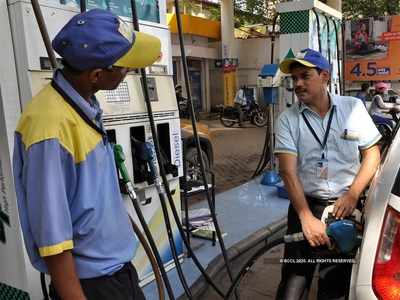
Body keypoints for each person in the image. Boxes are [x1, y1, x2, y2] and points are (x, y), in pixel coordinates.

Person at [13, 9, 161, 300]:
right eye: (125, 68)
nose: (128, 72)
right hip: (93, 287)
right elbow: (53, 240)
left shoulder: (82, 103)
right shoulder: (50, 129)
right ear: (96, 75)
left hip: (116, 273)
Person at [274, 48, 381, 300]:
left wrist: (353, 194)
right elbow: (288, 172)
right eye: (294, 78)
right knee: (292, 285)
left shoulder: (352, 108)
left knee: (335, 286)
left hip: (345, 209)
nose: (298, 83)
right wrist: (306, 218)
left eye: (304, 76)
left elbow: (372, 154)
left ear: (324, 76)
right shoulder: (288, 119)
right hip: (306, 206)